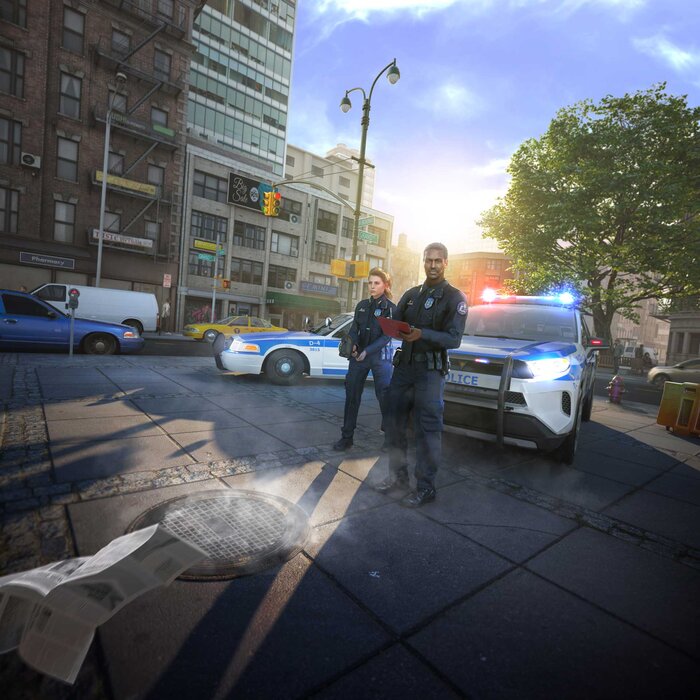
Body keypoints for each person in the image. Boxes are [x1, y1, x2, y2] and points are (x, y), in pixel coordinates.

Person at [375, 243, 467, 508]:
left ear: (446, 263)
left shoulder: (454, 297)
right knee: (393, 424)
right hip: (404, 369)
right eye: (429, 260)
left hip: (430, 373)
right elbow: (395, 320)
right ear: (424, 262)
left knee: (427, 432)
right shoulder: (412, 294)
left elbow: (454, 339)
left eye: (438, 261)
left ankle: (426, 488)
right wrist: (390, 323)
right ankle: (398, 480)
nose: (433, 265)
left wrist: (422, 334)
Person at [333, 268, 396, 451]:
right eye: (370, 283)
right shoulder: (362, 305)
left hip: (380, 359)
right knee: (352, 396)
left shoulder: (391, 309)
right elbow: (354, 329)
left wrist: (366, 351)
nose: (372, 286)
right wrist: (352, 345)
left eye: (376, 283)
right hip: (359, 357)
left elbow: (386, 337)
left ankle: (390, 438)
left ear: (385, 285)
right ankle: (347, 437)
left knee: (384, 396)